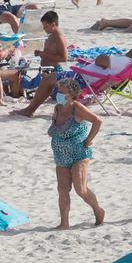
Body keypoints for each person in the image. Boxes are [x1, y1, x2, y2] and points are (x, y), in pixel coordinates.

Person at [48, 77, 106, 228]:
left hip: (79, 154)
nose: (58, 95)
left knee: (80, 189)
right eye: (58, 91)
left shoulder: (77, 108)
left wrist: (88, 140)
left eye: (62, 92)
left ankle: (98, 210)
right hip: (60, 156)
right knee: (62, 189)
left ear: (72, 94)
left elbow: (97, 121)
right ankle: (64, 223)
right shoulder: (58, 108)